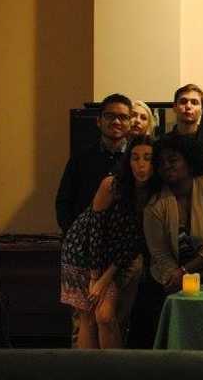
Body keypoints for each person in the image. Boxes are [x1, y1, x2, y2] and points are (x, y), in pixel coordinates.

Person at [60, 135, 153, 349]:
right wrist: (95, 276)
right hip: (81, 249)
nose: (141, 164)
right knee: (88, 315)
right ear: (128, 161)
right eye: (135, 158)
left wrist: (105, 278)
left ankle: (112, 366)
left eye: (148, 158)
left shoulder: (153, 192)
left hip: (116, 257)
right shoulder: (112, 184)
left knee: (104, 315)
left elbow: (133, 243)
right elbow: (96, 229)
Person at [143, 133, 203, 293]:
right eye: (161, 163)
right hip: (171, 279)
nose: (166, 166)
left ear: (190, 162)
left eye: (173, 160)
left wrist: (185, 271)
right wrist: (175, 277)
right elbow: (160, 253)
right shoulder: (154, 205)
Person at [57, 94, 132, 233]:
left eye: (123, 117)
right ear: (99, 121)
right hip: (85, 238)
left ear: (130, 123)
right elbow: (64, 202)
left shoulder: (136, 159)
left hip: (127, 239)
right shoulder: (80, 159)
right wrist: (73, 234)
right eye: (109, 116)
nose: (116, 121)